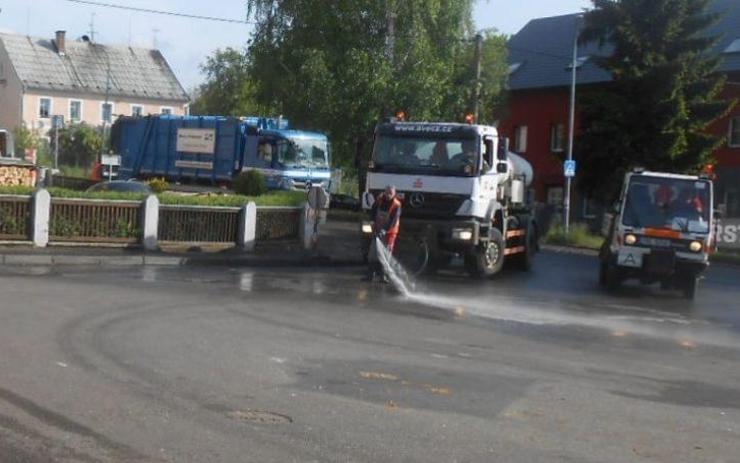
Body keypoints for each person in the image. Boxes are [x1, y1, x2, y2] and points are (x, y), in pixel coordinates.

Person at [365, 185, 402, 282]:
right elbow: (373, 212)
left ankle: (383, 276)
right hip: (377, 231)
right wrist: (372, 223)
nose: (388, 195)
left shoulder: (396, 205)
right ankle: (370, 275)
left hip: (390, 234)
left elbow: (393, 221)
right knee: (373, 253)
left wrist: (385, 230)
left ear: (394, 194)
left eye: (390, 193)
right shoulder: (379, 200)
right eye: (387, 193)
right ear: (384, 192)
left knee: (386, 256)